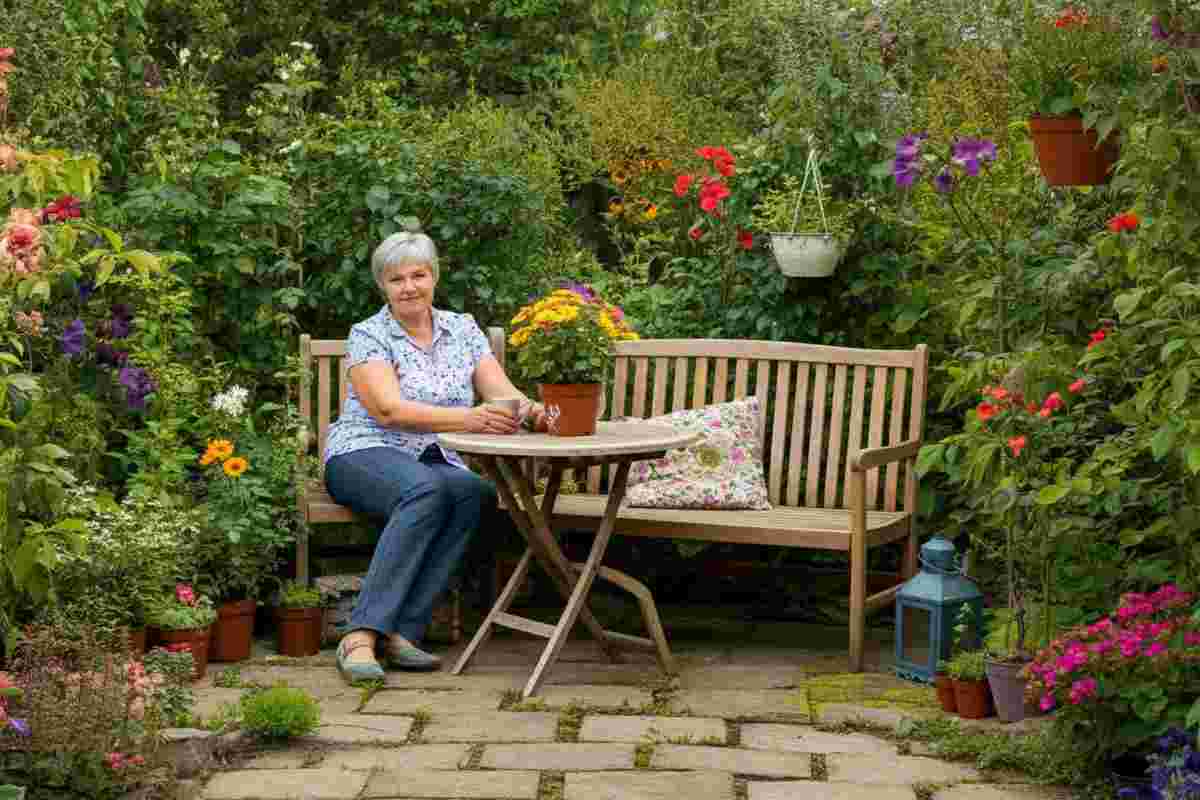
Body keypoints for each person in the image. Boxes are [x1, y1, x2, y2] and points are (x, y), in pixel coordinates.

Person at [323, 221, 545, 683]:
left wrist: (538, 413)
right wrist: (468, 419)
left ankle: (402, 632)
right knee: (424, 491)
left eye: (418, 275)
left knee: (472, 493)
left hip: (430, 457)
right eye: (396, 279)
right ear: (383, 286)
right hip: (363, 451)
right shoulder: (370, 334)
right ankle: (360, 635)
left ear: (434, 277)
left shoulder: (462, 329)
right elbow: (387, 410)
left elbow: (502, 393)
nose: (409, 287)